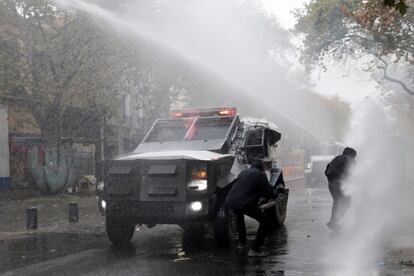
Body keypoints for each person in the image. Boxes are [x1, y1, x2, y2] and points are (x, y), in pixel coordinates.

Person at [227, 159, 278, 257]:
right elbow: (268, 192)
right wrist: (276, 193)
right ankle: (255, 249)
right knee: (265, 221)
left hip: (232, 201)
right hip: (244, 203)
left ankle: (242, 243)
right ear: (261, 168)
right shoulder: (259, 174)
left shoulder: (243, 172)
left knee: (240, 219)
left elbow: (247, 188)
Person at [325, 147, 357, 230]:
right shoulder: (350, 159)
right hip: (339, 184)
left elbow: (327, 169)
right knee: (346, 203)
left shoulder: (337, 158)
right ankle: (333, 222)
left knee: (337, 202)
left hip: (331, 184)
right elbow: (351, 173)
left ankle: (333, 222)